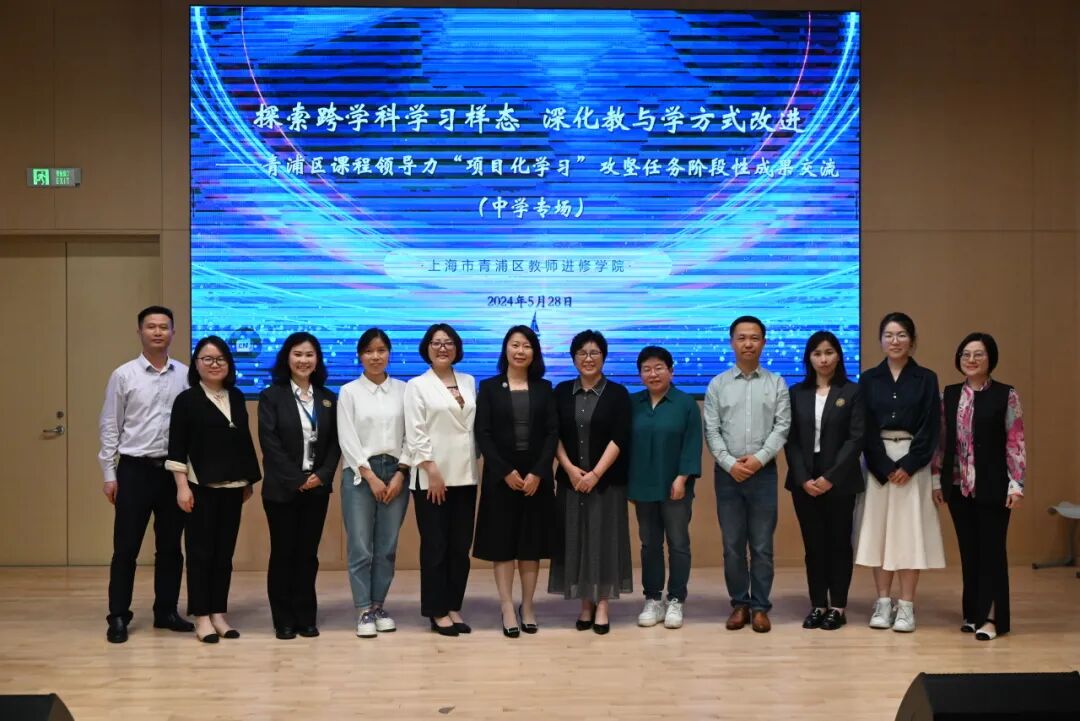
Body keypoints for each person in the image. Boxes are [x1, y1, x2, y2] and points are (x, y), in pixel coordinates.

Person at [98, 305, 193, 643]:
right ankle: (118, 616)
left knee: (170, 548)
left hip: (172, 473)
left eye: (164, 327)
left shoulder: (185, 375)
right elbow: (110, 425)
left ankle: (166, 611)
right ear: (139, 331)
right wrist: (109, 473)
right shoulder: (124, 375)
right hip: (134, 471)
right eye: (151, 326)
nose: (157, 332)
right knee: (126, 548)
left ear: (173, 333)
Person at [166, 336, 261, 643]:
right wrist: (182, 487)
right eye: (207, 359)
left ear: (229, 364)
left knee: (224, 553)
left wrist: (247, 480)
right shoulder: (187, 400)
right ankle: (201, 616)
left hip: (233, 487)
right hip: (199, 488)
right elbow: (177, 448)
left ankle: (219, 612)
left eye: (220, 359)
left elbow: (243, 441)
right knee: (200, 553)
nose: (214, 364)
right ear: (196, 364)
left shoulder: (236, 396)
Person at [854, 312, 945, 633]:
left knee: (908, 534)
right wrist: (882, 464)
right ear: (880, 340)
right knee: (879, 534)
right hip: (877, 464)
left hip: (913, 464)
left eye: (902, 335)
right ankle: (882, 602)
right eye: (889, 335)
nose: (895, 341)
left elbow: (931, 427)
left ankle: (906, 605)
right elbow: (863, 427)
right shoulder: (868, 379)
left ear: (912, 340)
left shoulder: (926, 378)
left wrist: (908, 465)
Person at [933, 332, 1025, 641]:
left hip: (994, 485)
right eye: (966, 354)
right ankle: (972, 613)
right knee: (969, 551)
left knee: (992, 552)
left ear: (990, 359)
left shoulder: (1005, 394)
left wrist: (1016, 484)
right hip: (958, 486)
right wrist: (937, 479)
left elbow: (1015, 440)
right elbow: (941, 442)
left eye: (978, 354)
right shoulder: (948, 395)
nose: (971, 360)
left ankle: (992, 618)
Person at [703, 315, 790, 633]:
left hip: (763, 474)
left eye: (754, 337)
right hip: (728, 475)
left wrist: (758, 460)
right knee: (732, 545)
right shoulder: (718, 384)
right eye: (741, 338)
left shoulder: (777, 383)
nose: (748, 343)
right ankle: (740, 604)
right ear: (732, 342)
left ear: (763, 342)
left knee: (763, 546)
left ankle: (760, 607)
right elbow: (711, 430)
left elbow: (782, 426)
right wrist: (730, 463)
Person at [474, 325, 558, 638]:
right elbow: (482, 433)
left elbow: (552, 433)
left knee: (530, 545)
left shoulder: (544, 388)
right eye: (515, 345)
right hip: (501, 477)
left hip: (536, 477)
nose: (520, 351)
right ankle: (507, 605)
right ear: (505, 349)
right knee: (502, 544)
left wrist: (538, 472)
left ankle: (529, 606)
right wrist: (504, 471)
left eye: (527, 346)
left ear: (534, 352)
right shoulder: (489, 387)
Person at [548, 330, 633, 635]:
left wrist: (596, 473)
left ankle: (604, 605)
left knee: (605, 541)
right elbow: (553, 434)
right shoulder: (560, 392)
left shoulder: (618, 394)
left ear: (604, 357)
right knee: (577, 540)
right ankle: (585, 603)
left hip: (607, 482)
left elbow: (620, 437)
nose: (588, 358)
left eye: (594, 352)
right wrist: (570, 470)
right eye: (582, 353)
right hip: (571, 482)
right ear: (573, 358)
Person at [258, 332, 340, 640]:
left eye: (309, 354)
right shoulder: (272, 396)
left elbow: (335, 443)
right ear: (287, 358)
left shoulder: (328, 398)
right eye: (298, 354)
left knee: (307, 555)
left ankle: (306, 616)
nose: (303, 360)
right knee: (283, 553)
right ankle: (283, 619)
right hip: (282, 490)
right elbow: (270, 443)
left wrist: (323, 475)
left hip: (317, 488)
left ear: (317, 360)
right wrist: (297, 479)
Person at [784, 331, 865, 631]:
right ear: (809, 358)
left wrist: (830, 477)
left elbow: (856, 439)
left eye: (829, 352)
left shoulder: (853, 391)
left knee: (839, 543)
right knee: (814, 545)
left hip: (840, 478)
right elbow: (790, 440)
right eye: (817, 353)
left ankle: (838, 606)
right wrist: (804, 478)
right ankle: (818, 604)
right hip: (804, 479)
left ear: (839, 356)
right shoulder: (796, 393)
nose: (823, 359)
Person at [404, 323, 479, 637]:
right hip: (431, 477)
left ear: (457, 348)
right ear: (427, 348)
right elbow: (415, 432)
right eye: (436, 343)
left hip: (466, 474)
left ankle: (453, 605)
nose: (443, 348)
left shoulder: (469, 381)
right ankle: (436, 610)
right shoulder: (416, 385)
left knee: (460, 547)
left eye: (448, 342)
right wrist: (432, 471)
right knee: (435, 546)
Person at [337, 328, 411, 638]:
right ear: (360, 356)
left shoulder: (405, 390)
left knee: (387, 547)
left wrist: (401, 473)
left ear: (389, 353)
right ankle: (363, 610)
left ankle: (379, 606)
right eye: (369, 351)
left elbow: (412, 434)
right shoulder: (349, 392)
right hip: (359, 474)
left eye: (381, 350)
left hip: (396, 472)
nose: (375, 356)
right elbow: (347, 438)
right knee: (360, 547)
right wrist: (369, 476)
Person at [628, 345, 702, 630]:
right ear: (640, 374)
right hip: (642, 485)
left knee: (678, 543)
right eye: (646, 369)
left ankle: (676, 599)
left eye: (659, 368)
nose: (653, 374)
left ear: (671, 371)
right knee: (649, 544)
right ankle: (652, 598)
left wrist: (682, 478)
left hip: (676, 486)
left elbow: (692, 443)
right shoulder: (633, 403)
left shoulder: (685, 403)